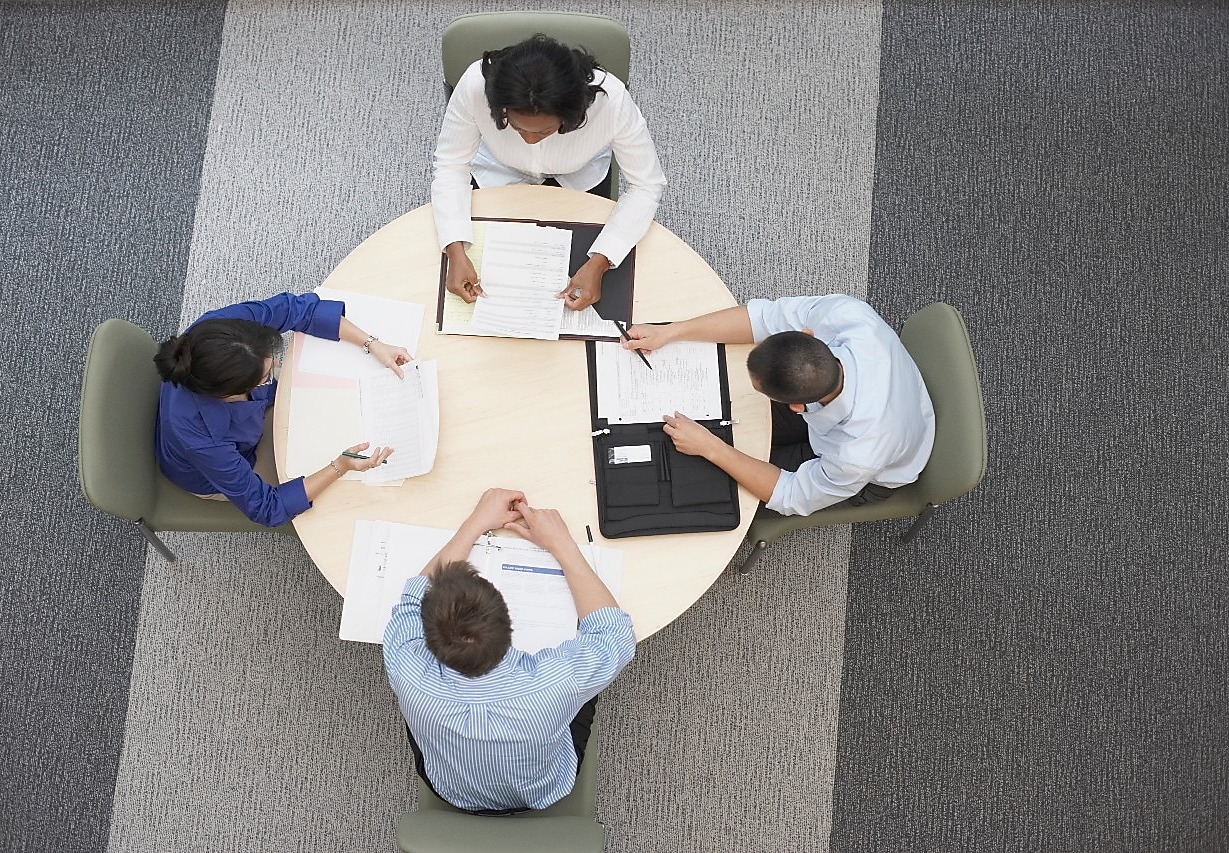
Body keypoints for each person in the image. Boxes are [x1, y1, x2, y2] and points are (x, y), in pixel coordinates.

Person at [383, 488, 635, 814]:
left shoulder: (405, 663)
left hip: (448, 787)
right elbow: (615, 634)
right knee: (587, 682)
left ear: (427, 634)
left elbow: (412, 598)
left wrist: (475, 523)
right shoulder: (555, 682)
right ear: (509, 624)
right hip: (544, 788)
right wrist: (562, 544)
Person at [623, 294, 935, 517]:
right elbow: (762, 318)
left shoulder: (856, 457)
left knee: (717, 480)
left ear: (796, 408)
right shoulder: (846, 315)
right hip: (877, 406)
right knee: (731, 419)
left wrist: (711, 448)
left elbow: (790, 495)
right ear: (806, 334)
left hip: (875, 471)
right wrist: (671, 331)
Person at [431, 34, 667, 312]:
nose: (530, 140)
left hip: (580, 179)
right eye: (517, 128)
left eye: (544, 131)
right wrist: (455, 250)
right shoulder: (475, 86)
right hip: (498, 173)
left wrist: (601, 261)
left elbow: (646, 185)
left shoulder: (612, 102)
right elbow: (451, 165)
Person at [153, 291, 411, 527]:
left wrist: (372, 344)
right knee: (343, 499)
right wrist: (339, 466)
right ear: (231, 392)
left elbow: (297, 309)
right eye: (267, 374)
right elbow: (268, 507)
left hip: (244, 421)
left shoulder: (225, 333)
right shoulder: (201, 438)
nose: (277, 366)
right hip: (218, 468)